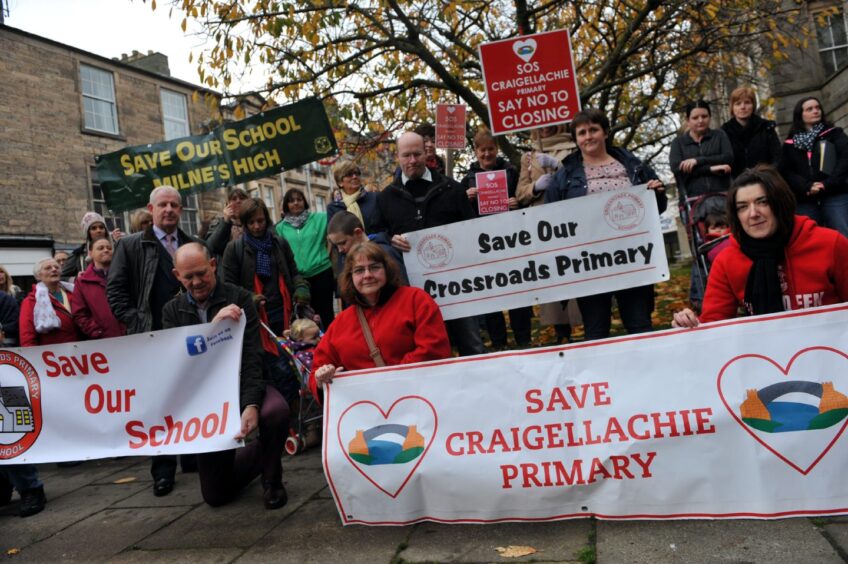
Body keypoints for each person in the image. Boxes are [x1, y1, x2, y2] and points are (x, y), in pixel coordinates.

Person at [163, 243, 289, 509]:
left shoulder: (241, 298)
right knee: (216, 496)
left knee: (275, 411)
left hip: (245, 382)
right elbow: (181, 366)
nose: (196, 282)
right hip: (208, 400)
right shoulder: (171, 312)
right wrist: (212, 329)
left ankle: (272, 480)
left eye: (201, 273)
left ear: (213, 265)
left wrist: (251, 404)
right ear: (177, 276)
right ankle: (263, 450)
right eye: (188, 277)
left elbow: (253, 355)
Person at [107, 184, 199, 497]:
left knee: (191, 396)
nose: (169, 209)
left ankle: (192, 457)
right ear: (151, 209)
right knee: (158, 405)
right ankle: (162, 470)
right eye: (163, 205)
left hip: (188, 338)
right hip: (151, 338)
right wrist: (136, 322)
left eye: (175, 205)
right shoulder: (131, 246)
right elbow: (115, 292)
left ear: (181, 210)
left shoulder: (192, 244)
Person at [672, 165, 848, 328]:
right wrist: (690, 323)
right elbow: (713, 324)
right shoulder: (727, 260)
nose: (753, 214)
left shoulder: (830, 244)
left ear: (781, 204)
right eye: (742, 207)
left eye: (762, 202)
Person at [546, 109, 667, 341]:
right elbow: (552, 220)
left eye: (593, 130)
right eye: (581, 133)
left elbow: (657, 207)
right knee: (596, 331)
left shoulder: (633, 166)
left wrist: (656, 193)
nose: (588, 136)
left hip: (632, 258)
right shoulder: (564, 176)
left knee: (640, 325)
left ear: (605, 132)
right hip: (590, 265)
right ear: (576, 139)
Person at [377, 131, 485, 356]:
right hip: (413, 291)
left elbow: (472, 228)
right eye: (406, 155)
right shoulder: (386, 197)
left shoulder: (452, 189)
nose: (412, 160)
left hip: (457, 285)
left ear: (427, 153)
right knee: (428, 349)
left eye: (417, 154)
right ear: (398, 157)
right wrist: (389, 239)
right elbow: (375, 234)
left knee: (471, 344)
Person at [311, 242, 451, 395]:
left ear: (387, 269)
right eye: (359, 270)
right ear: (350, 277)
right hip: (368, 409)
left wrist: (386, 382)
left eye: (374, 267)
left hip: (419, 398)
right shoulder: (341, 323)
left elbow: (433, 350)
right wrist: (321, 378)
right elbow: (317, 371)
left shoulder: (416, 300)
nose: (367, 275)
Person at [461, 127, 532, 349]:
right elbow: (459, 214)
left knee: (518, 293)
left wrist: (516, 202)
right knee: (492, 296)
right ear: (476, 151)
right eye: (482, 150)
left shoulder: (511, 172)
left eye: (490, 149)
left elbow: (523, 197)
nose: (486, 154)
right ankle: (499, 343)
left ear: (497, 149)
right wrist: (466, 198)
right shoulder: (468, 179)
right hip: (483, 246)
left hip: (511, 241)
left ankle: (523, 341)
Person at [517, 124, 580, 343]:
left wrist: (558, 167)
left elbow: (581, 177)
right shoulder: (528, 157)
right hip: (542, 225)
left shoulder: (574, 148)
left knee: (574, 272)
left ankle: (586, 325)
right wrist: (535, 187)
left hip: (569, 220)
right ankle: (560, 332)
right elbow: (520, 194)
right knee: (550, 276)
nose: (544, 128)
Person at [223, 198, 310, 338]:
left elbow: (294, 273)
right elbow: (228, 286)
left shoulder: (280, 243)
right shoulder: (234, 249)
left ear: (266, 220)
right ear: (245, 223)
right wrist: (249, 299)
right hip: (255, 318)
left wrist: (301, 287)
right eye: (251, 222)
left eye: (260, 221)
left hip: (284, 312)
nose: (256, 226)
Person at [778, 96, 848, 238]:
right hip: (805, 199)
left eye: (817, 108)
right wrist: (806, 186)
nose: (815, 111)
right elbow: (786, 171)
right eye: (809, 109)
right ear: (800, 114)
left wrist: (826, 184)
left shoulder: (834, 134)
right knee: (810, 238)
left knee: (843, 234)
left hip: (835, 194)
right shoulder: (790, 143)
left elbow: (845, 160)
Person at [275, 188, 335, 329]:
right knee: (306, 319)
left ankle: (333, 344)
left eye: (299, 199)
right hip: (300, 280)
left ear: (305, 201)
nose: (296, 203)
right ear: (286, 205)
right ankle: (313, 349)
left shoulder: (320, 218)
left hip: (322, 273)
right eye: (291, 201)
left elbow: (337, 230)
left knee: (326, 315)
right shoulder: (280, 228)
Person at [669, 100, 734, 200]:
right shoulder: (678, 143)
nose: (700, 120)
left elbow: (727, 157)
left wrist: (697, 161)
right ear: (687, 120)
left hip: (722, 197)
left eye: (704, 116)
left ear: (710, 117)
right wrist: (710, 169)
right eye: (695, 118)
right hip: (692, 200)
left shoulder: (719, 135)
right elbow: (677, 168)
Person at [327, 210, 407, 284]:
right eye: (336, 245)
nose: (340, 250)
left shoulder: (386, 253)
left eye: (343, 243)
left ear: (358, 232)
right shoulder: (347, 257)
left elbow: (402, 285)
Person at [72, 237, 126, 339]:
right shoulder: (82, 282)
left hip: (133, 337)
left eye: (109, 248)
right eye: (100, 248)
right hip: (103, 342)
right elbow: (79, 314)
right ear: (91, 253)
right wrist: (96, 332)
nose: (106, 250)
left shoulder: (126, 274)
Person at [721, 86, 780, 178]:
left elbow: (777, 158)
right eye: (738, 103)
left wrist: (767, 176)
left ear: (753, 105)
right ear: (732, 107)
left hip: (765, 180)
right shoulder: (724, 132)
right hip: (737, 184)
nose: (743, 107)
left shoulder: (767, 128)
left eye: (747, 102)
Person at [19, 257, 80, 346]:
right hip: (51, 355)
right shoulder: (31, 301)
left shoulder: (75, 293)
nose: (54, 269)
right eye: (48, 268)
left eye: (56, 267)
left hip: (81, 352)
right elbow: (27, 335)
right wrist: (32, 357)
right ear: (38, 276)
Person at [327, 161, 386, 239]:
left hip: (379, 247)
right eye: (349, 174)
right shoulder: (334, 208)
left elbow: (388, 227)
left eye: (357, 173)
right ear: (340, 182)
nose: (355, 176)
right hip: (351, 250)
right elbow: (334, 238)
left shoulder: (375, 197)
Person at [62, 212, 124, 279]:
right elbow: (61, 277)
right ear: (88, 233)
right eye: (94, 228)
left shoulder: (115, 248)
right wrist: (77, 279)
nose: (98, 230)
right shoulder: (79, 255)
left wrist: (119, 245)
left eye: (101, 227)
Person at [205, 187, 249, 258]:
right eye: (234, 199)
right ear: (227, 204)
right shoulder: (219, 222)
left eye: (242, 198)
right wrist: (225, 222)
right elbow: (210, 246)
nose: (238, 201)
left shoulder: (253, 221)